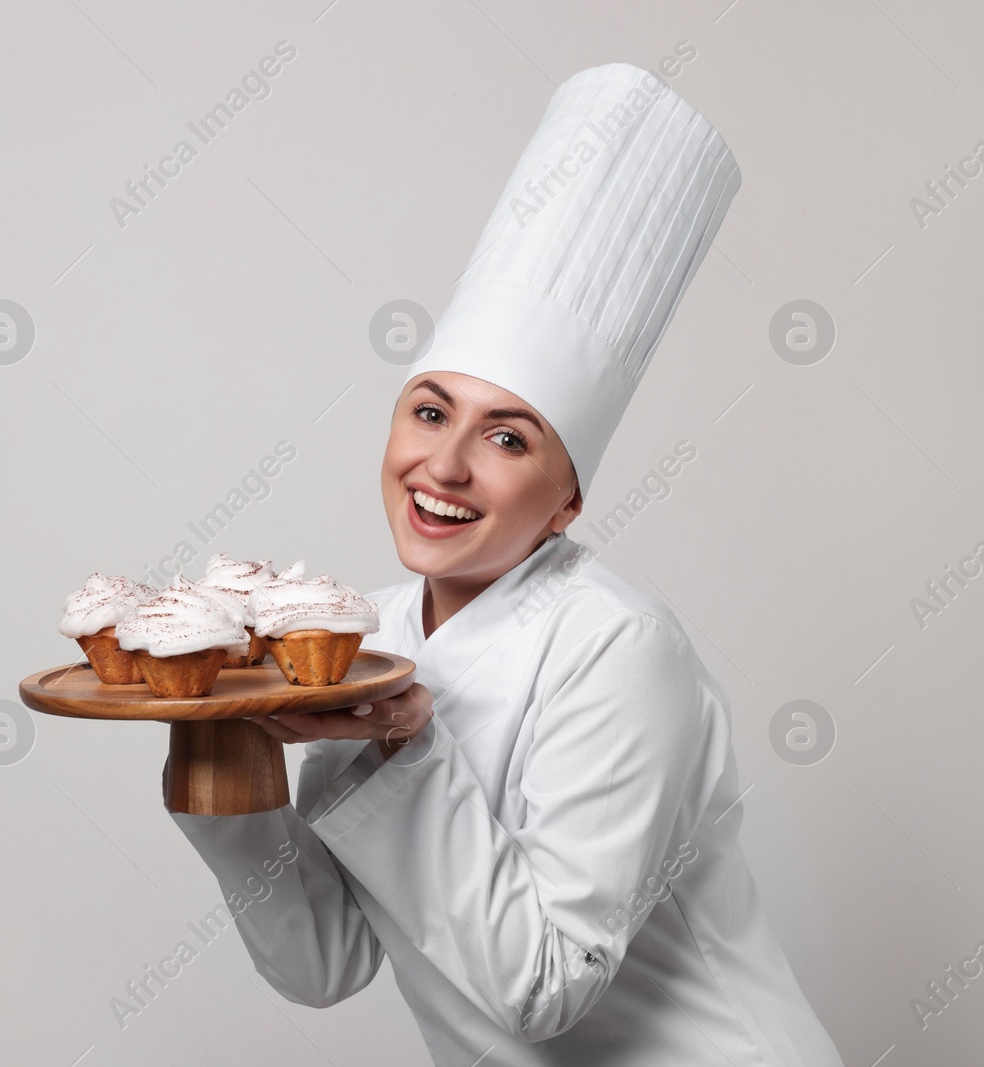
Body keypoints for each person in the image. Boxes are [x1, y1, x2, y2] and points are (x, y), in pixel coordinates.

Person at [166, 64, 844, 1065]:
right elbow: (326, 961)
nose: (443, 464)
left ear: (567, 501)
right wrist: (221, 755)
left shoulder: (618, 650)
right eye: (430, 410)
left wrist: (404, 740)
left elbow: (545, 986)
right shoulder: (371, 639)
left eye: (509, 438)